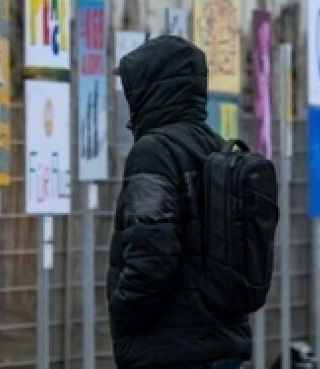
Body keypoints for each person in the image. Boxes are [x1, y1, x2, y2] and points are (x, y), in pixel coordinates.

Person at [107, 35, 250, 369]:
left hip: (171, 349)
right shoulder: (217, 148)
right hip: (222, 343)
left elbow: (153, 250)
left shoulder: (155, 152)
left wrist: (123, 313)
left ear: (150, 88)